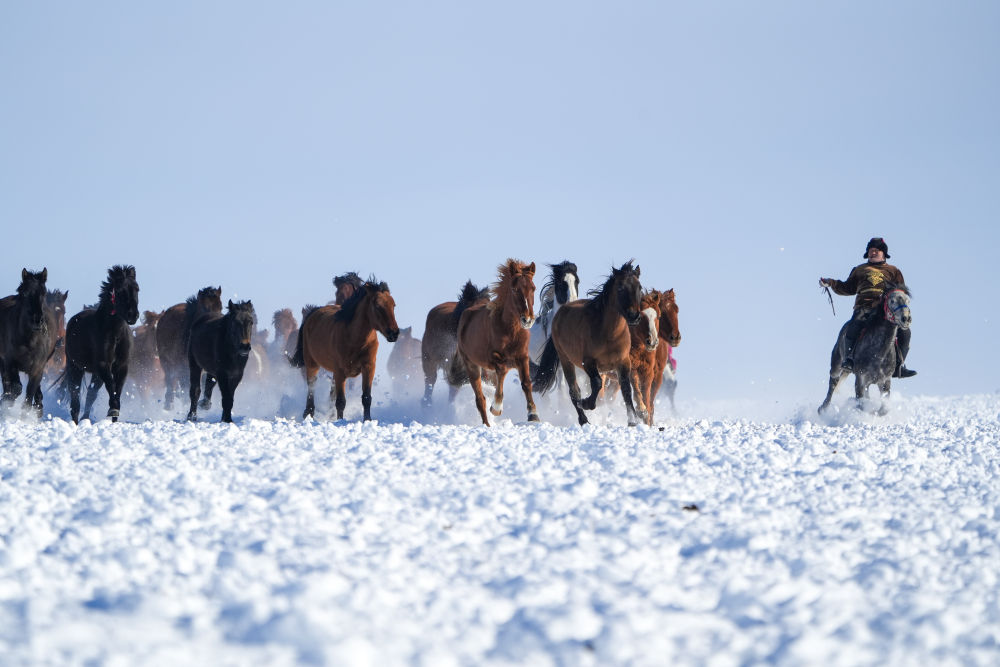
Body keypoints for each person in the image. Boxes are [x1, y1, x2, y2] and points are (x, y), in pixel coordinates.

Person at [819, 237, 916, 378]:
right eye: (870, 251)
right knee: (853, 326)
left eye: (876, 250)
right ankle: (849, 359)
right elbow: (848, 288)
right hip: (863, 308)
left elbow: (901, 292)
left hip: (886, 312)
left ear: (883, 253)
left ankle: (898, 366)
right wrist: (832, 283)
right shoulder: (860, 269)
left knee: (905, 333)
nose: (873, 253)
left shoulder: (894, 271)